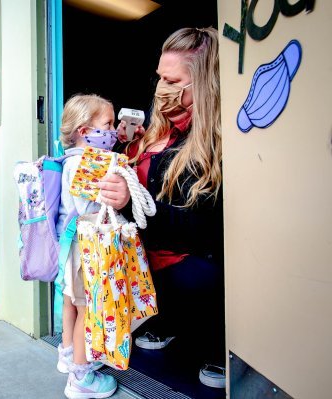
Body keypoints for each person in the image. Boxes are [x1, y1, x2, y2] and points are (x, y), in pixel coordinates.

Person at [100, 27, 226, 388]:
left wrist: (131, 200)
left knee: (201, 275)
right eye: (159, 77)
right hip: (144, 261)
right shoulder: (157, 132)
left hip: (185, 263)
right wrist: (124, 149)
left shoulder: (214, 142)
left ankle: (215, 343)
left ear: (203, 83)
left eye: (172, 80)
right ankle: (165, 320)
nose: (161, 88)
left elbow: (201, 229)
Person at [56, 94, 119, 399]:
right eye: (108, 124)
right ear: (85, 131)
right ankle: (80, 379)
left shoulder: (68, 159)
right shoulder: (88, 162)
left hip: (69, 248)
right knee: (87, 309)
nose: (114, 131)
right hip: (85, 249)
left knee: (71, 302)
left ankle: (69, 354)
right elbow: (90, 207)